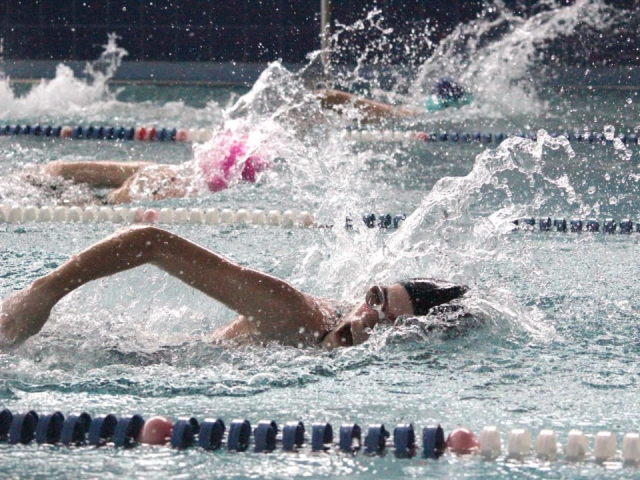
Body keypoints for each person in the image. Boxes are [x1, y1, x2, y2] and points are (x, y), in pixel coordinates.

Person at [0, 226, 468, 349]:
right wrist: (43, 293)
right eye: (374, 299)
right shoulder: (296, 315)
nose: (367, 316)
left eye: (386, 321)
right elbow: (150, 242)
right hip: (135, 362)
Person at [26, 129, 269, 204]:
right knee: (102, 203)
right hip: (151, 188)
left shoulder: (168, 171)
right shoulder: (191, 193)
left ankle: (28, 179)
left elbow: (67, 169)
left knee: (57, 174)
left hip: (160, 172)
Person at [317, 78, 472, 123]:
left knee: (326, 96)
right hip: (406, 113)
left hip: (404, 114)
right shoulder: (426, 109)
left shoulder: (425, 111)